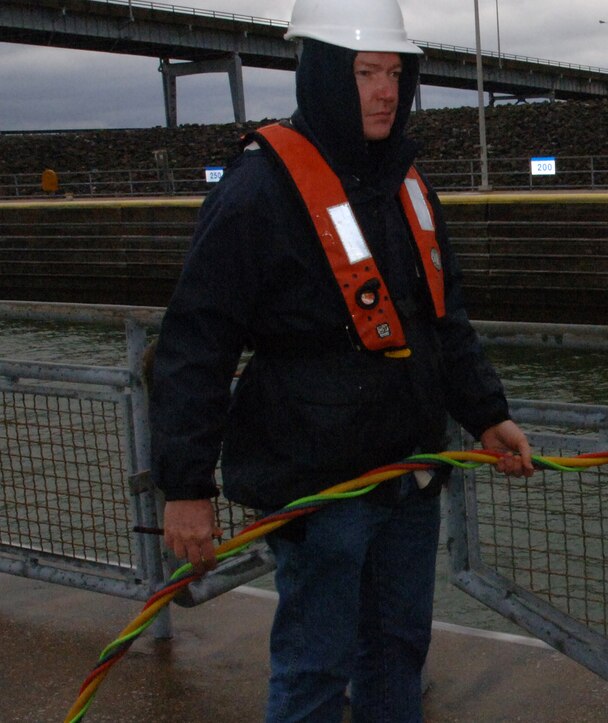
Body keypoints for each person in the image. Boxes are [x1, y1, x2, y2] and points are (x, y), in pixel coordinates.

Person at [148, 0, 534, 720]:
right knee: (315, 668)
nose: (386, 90)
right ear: (323, 73)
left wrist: (488, 413)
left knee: (397, 653)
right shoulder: (259, 190)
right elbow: (195, 343)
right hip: (320, 487)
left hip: (409, 478)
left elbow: (440, 318)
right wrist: (186, 486)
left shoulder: (410, 186)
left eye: (395, 71)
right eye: (365, 72)